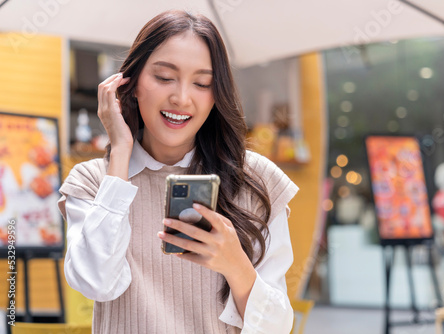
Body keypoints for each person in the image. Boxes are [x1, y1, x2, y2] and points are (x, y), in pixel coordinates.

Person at [58, 10, 298, 334]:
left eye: (201, 83)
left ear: (217, 95)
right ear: (130, 83)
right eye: (164, 77)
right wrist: (120, 155)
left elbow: (277, 326)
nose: (181, 98)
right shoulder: (92, 182)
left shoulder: (257, 180)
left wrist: (234, 263)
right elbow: (96, 283)